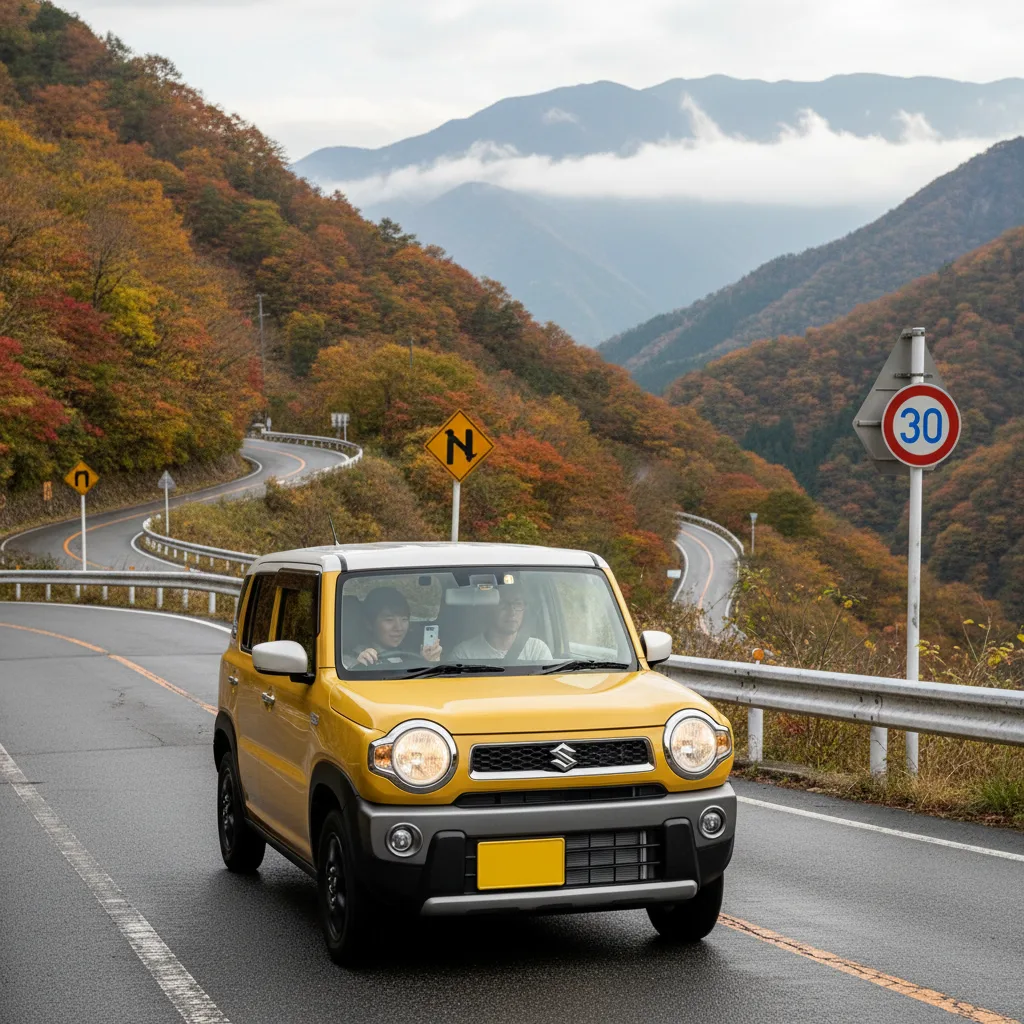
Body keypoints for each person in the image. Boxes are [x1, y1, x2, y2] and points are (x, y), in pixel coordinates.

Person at [451, 584, 552, 662]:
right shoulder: (464, 655)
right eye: (503, 604)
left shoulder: (537, 651)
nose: (512, 612)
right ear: (489, 608)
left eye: (518, 604)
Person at [351, 587, 442, 666]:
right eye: (389, 620)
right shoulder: (353, 658)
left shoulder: (409, 653)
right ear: (369, 623)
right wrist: (359, 666)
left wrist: (430, 663)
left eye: (404, 619)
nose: (399, 628)